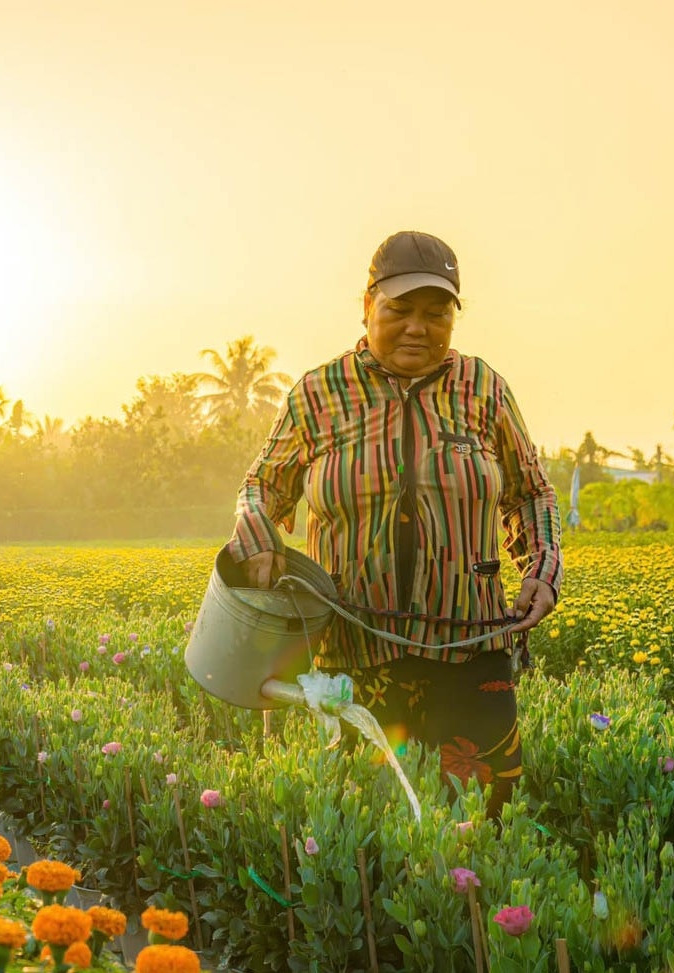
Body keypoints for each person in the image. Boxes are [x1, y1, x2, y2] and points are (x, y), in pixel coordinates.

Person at [226, 230, 561, 816]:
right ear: (367, 306)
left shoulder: (483, 389)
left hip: (470, 642)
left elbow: (530, 492)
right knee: (373, 823)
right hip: (356, 647)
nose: (417, 327)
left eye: (436, 314)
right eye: (400, 310)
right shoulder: (318, 394)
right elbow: (261, 485)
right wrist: (257, 537)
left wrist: (542, 569)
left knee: (481, 821)